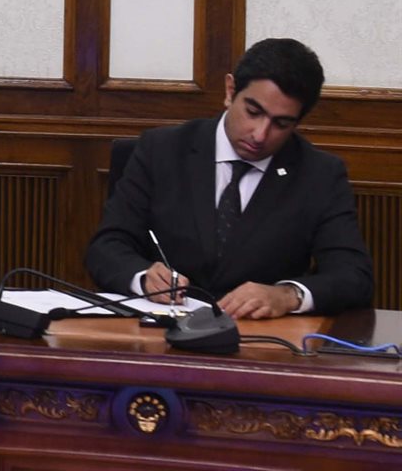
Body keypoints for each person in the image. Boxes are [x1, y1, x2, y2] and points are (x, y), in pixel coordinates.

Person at [85, 38, 373, 318]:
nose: (260, 135)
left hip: (260, 338)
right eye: (253, 112)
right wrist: (143, 277)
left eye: (281, 124)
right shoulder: (162, 150)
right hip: (159, 330)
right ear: (230, 90)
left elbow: (353, 275)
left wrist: (288, 295)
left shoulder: (319, 174)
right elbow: (107, 247)